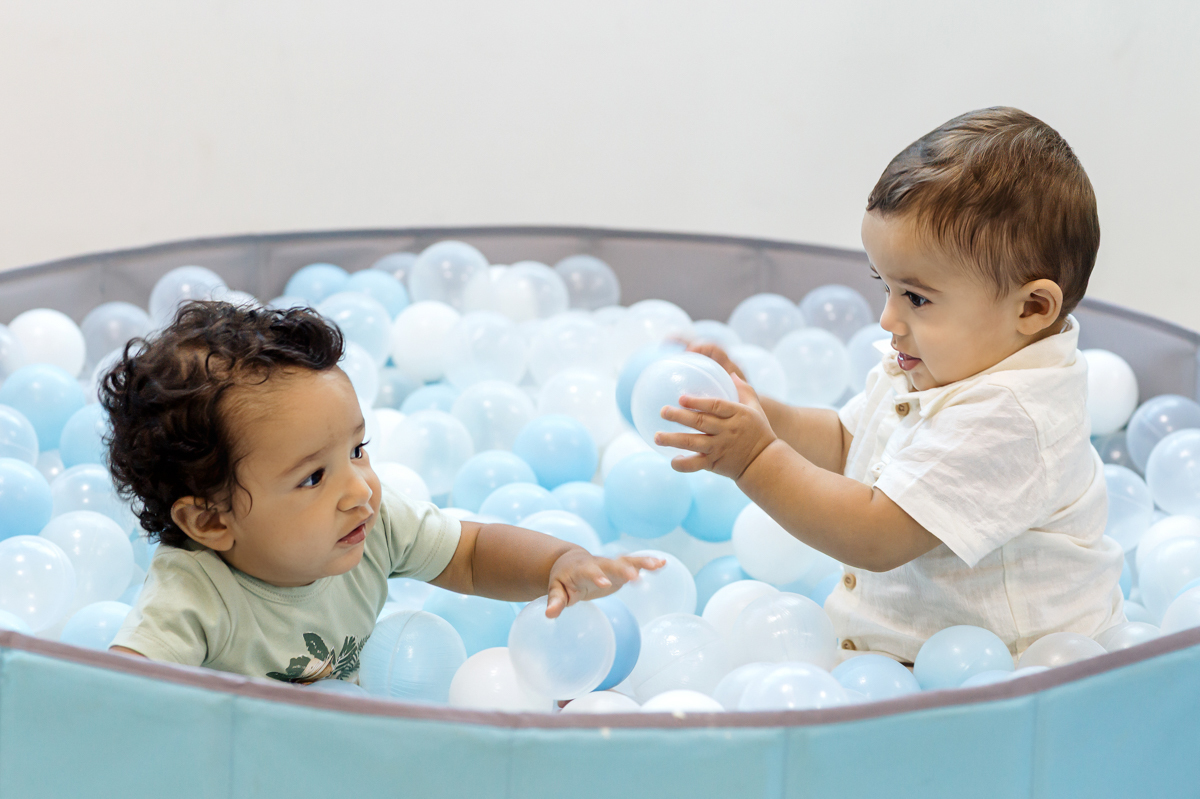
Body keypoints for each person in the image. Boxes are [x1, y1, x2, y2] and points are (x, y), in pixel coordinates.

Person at [660, 107, 1124, 663]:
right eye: (885, 286)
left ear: (1031, 307)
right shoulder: (937, 365)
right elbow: (845, 441)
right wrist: (761, 412)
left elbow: (877, 535)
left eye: (917, 297)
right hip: (913, 661)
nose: (888, 319)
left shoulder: (1013, 416)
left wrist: (754, 459)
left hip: (1003, 678)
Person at [103, 301, 660, 684]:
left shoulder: (372, 523)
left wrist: (557, 562)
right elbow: (125, 698)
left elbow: (470, 554)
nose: (359, 490)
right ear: (212, 523)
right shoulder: (193, 597)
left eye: (356, 449)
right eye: (313, 477)